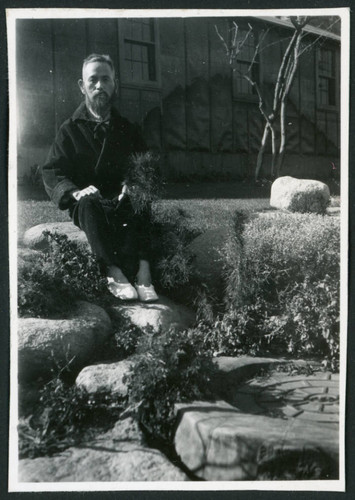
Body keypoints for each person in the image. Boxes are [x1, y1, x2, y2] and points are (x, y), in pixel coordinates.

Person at [42, 53, 158, 302]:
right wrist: (75, 191)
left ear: (114, 84)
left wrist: (132, 184)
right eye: (93, 80)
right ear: (82, 86)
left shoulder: (127, 128)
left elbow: (145, 165)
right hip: (90, 204)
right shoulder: (69, 129)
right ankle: (113, 271)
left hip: (121, 201)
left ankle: (143, 270)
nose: (99, 86)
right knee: (89, 202)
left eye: (105, 79)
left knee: (140, 201)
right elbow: (52, 170)